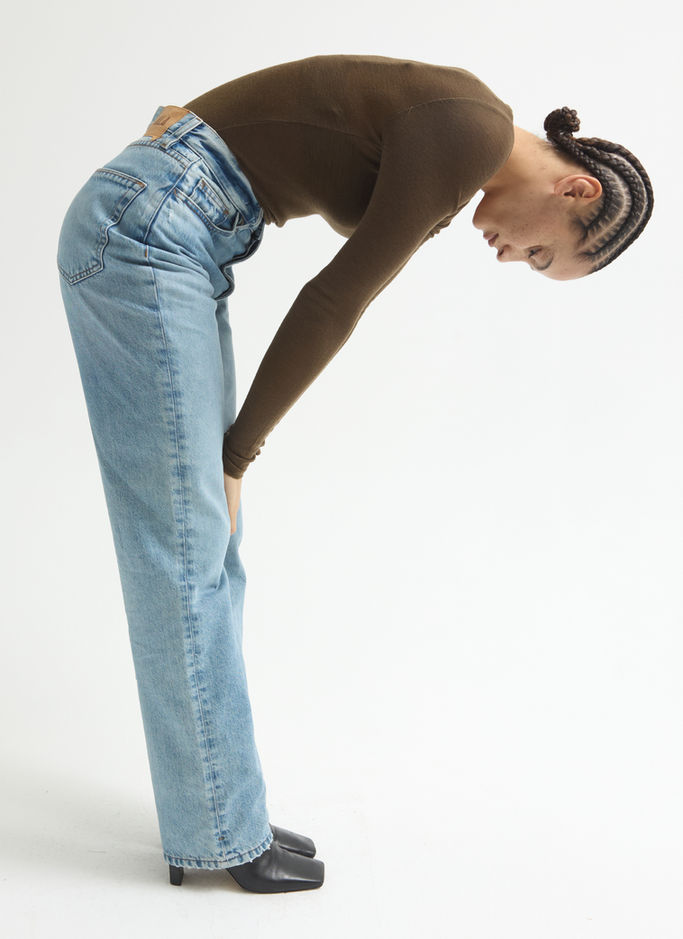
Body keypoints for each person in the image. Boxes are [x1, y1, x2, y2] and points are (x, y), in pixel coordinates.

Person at [55, 53, 653, 894]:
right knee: (186, 542)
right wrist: (236, 455)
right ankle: (218, 832)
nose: (511, 256)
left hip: (168, 227)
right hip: (153, 229)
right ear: (576, 192)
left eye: (530, 264)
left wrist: (182, 143)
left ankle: (223, 812)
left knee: (204, 548)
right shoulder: (467, 129)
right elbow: (335, 299)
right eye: (540, 256)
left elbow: (306, 122)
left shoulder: (463, 133)